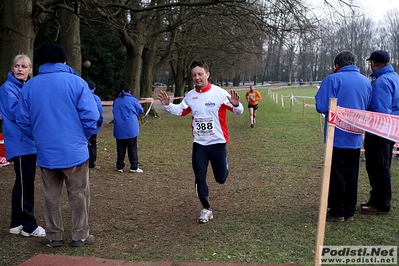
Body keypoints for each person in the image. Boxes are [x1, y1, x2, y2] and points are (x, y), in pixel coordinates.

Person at [16, 43, 99, 247]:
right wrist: (83, 137)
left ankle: (54, 235)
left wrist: (38, 137)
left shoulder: (30, 86)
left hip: (45, 151)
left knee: (50, 195)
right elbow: (91, 117)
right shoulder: (77, 83)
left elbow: (22, 119)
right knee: (79, 193)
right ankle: (80, 234)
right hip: (75, 150)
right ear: (64, 61)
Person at [157, 60, 243, 223]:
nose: (197, 77)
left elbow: (238, 111)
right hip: (200, 144)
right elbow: (180, 111)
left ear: (207, 75)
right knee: (199, 176)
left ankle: (224, 165)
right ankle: (206, 209)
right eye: (194, 75)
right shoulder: (191, 96)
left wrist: (237, 105)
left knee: (221, 179)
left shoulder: (219, 93)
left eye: (200, 74)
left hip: (217, 142)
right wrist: (168, 105)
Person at [315, 50, 372, 222]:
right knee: (352, 173)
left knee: (336, 173)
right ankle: (350, 210)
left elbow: (321, 105)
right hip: (355, 135)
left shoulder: (332, 79)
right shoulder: (366, 82)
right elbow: (368, 105)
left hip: (336, 135)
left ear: (337, 65)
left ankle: (337, 210)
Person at [0, 55, 46, 237]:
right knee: (25, 183)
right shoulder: (7, 88)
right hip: (20, 142)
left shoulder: (28, 87)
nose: (20, 69)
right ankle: (29, 224)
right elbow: (15, 112)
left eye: (24, 66)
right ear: (12, 68)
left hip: (29, 142)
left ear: (30, 70)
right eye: (17, 66)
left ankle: (16, 222)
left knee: (23, 182)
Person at [361, 50, 399, 214]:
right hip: (391, 129)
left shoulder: (382, 82)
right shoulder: (395, 77)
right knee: (382, 165)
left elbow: (380, 110)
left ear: (373, 63)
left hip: (379, 130)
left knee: (377, 166)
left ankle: (381, 203)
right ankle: (376, 199)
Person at [112, 83, 144, 173]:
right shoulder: (132, 100)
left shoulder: (116, 101)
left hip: (119, 128)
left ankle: (119, 166)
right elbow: (140, 110)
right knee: (132, 148)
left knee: (120, 148)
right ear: (129, 91)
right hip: (130, 128)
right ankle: (134, 166)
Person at [87, 81, 104, 169]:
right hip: (93, 126)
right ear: (94, 88)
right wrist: (99, 123)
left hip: (81, 126)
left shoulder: (80, 96)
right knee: (92, 144)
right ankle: (91, 162)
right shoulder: (96, 98)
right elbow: (99, 111)